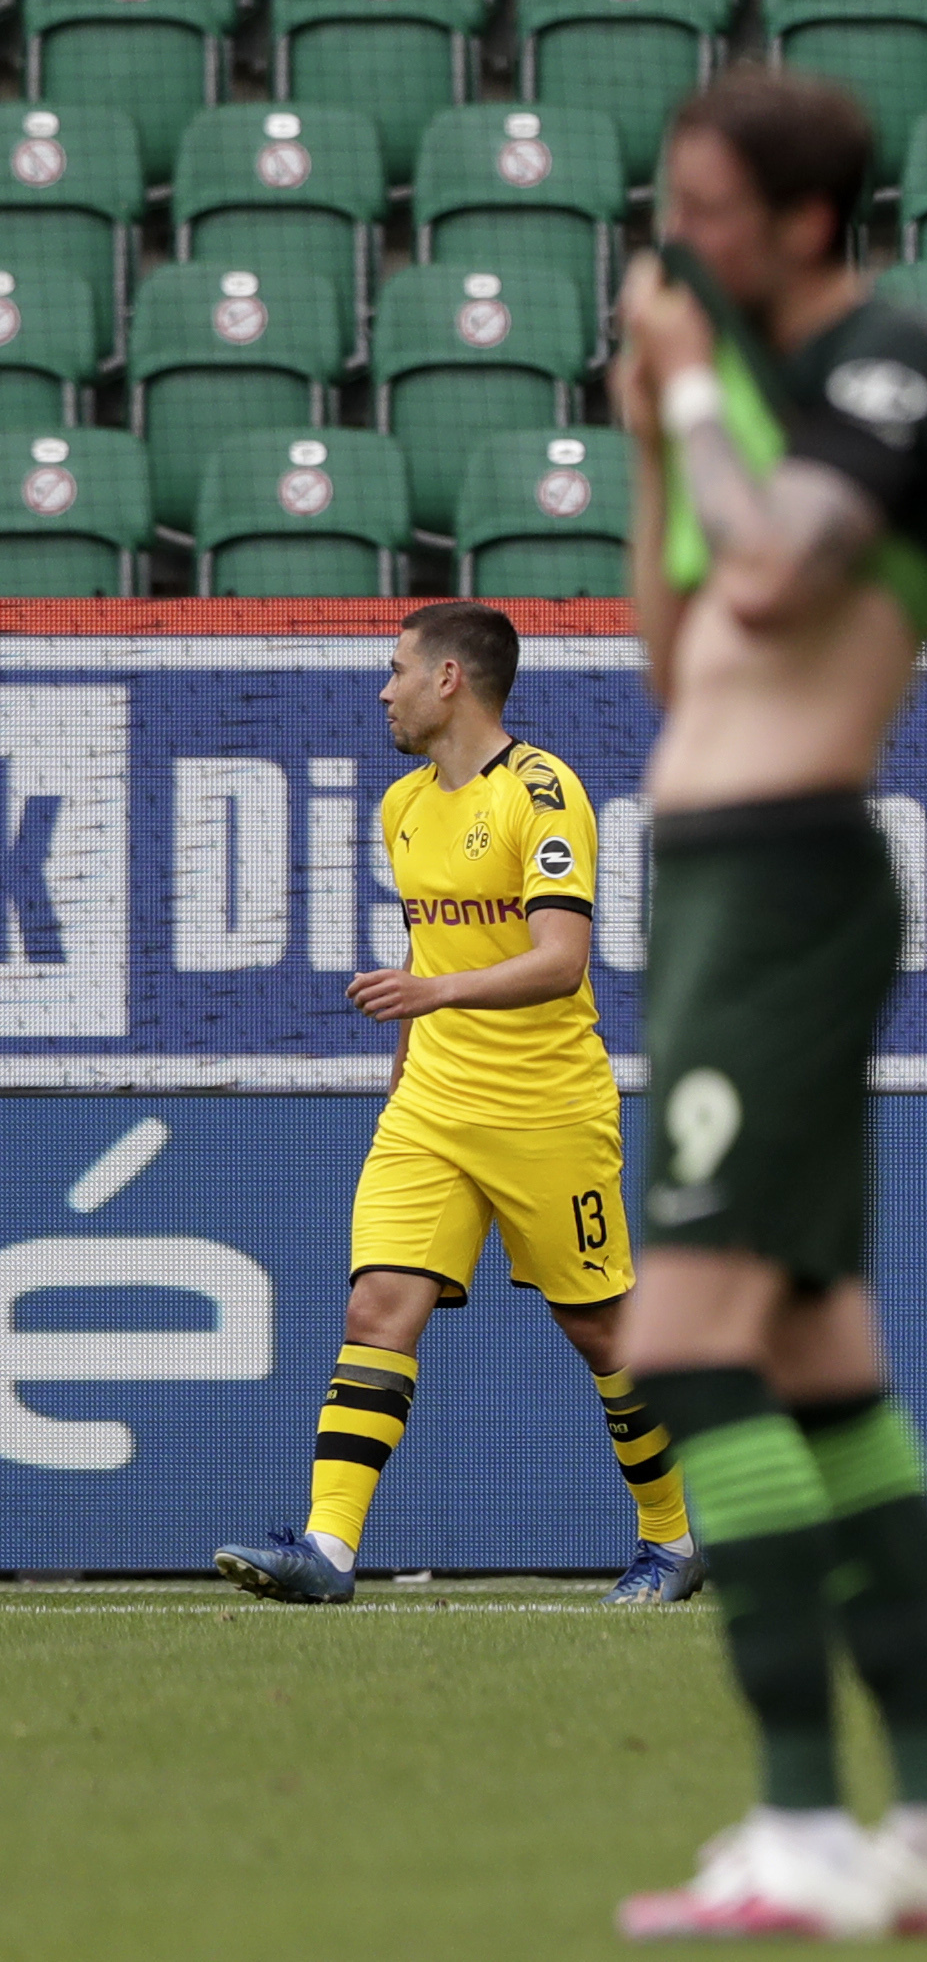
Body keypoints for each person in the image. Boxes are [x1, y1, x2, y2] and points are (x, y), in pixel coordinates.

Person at [606, 71, 927, 1940]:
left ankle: (798, 1822)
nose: (672, 241)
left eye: (704, 206)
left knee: (682, 1332)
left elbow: (773, 582)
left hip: (781, 881)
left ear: (797, 214)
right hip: (716, 875)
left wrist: (689, 393)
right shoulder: (745, 403)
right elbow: (680, 651)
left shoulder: (890, 368)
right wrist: (647, 433)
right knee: (817, 1357)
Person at [213, 603, 696, 1610]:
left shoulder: (544, 791)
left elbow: (561, 962)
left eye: (395, 670)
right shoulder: (401, 806)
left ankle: (674, 1540)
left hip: (546, 1109)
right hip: (432, 1105)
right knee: (376, 1307)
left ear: (449, 681)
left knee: (603, 1332)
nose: (381, 690)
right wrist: (407, 1056)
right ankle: (328, 1551)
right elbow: (430, 953)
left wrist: (428, 996)